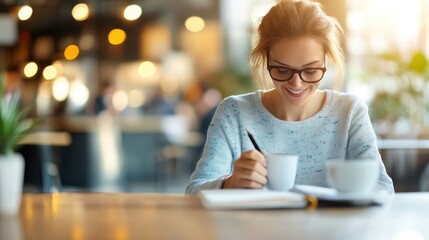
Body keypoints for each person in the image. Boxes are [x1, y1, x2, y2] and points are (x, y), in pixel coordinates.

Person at [185, 0, 394, 195]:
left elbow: (383, 188)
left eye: (310, 71)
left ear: (327, 61)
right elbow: (193, 192)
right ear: (265, 59)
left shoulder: (349, 111)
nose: (297, 84)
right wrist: (228, 184)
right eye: (282, 70)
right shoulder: (234, 112)